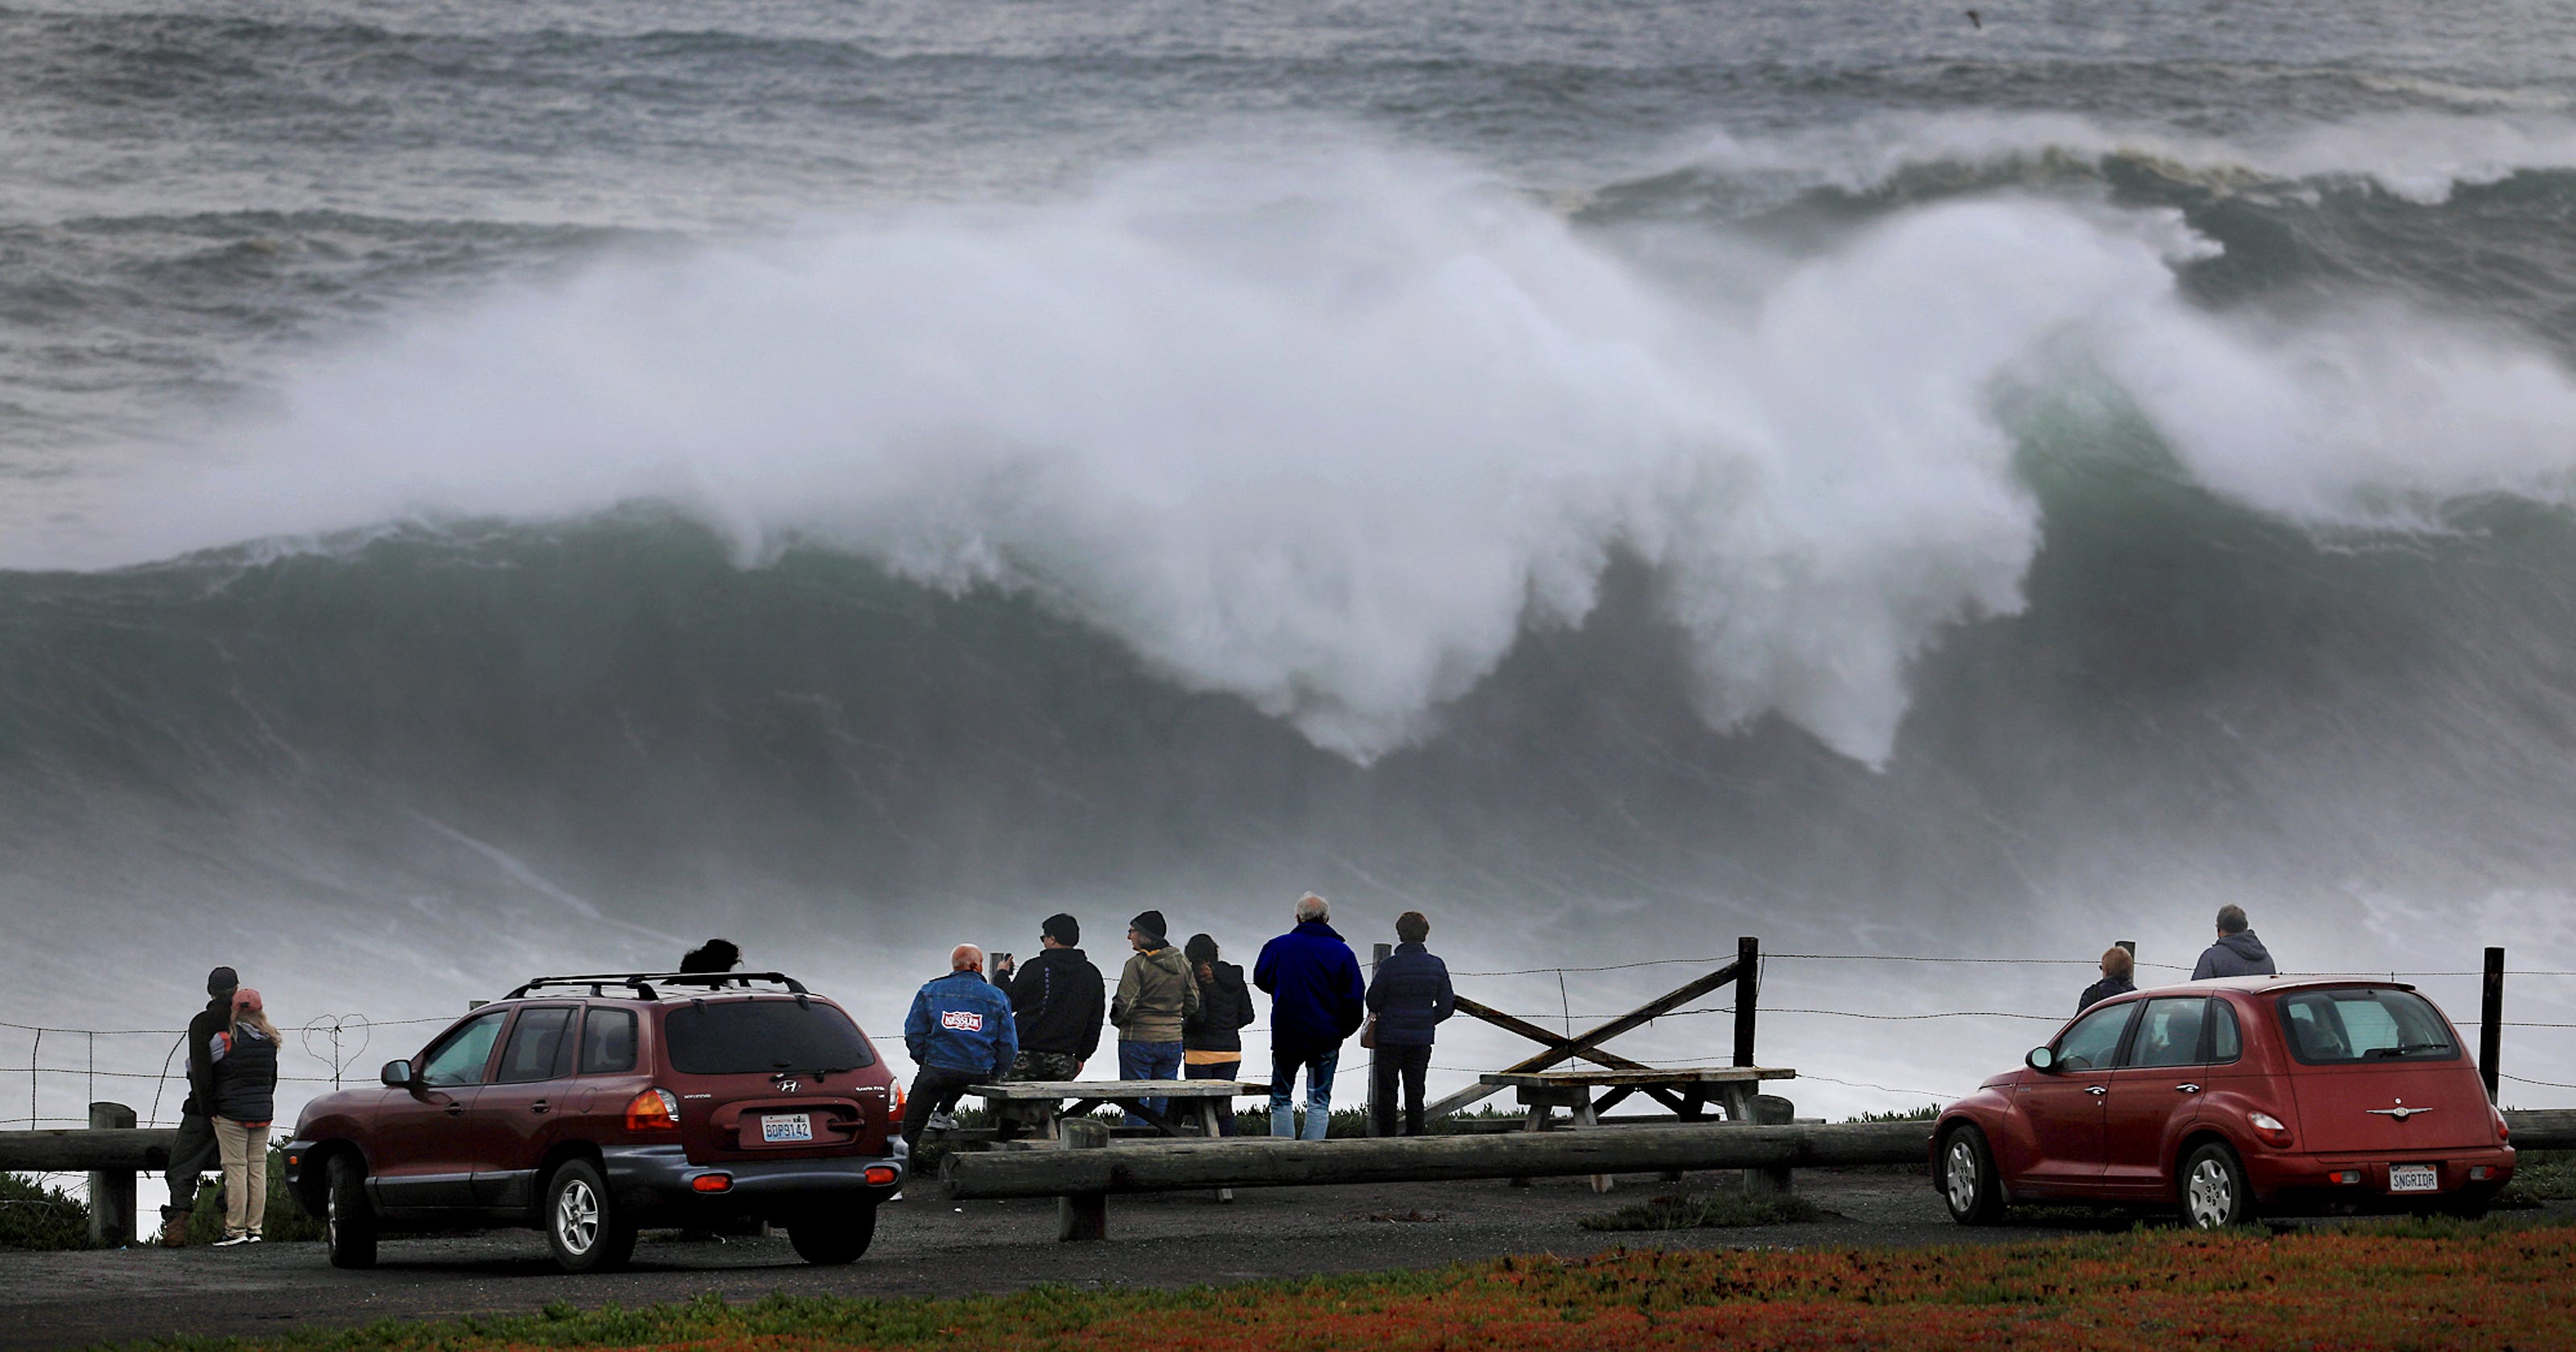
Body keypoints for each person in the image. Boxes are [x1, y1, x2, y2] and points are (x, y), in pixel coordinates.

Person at [1253, 893, 1366, 1140]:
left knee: (1281, 1096)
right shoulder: (1342, 952)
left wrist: (1282, 988)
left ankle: (1283, 1154)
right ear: (1326, 918)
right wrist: (1340, 1032)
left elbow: (1261, 978)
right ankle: (1312, 1157)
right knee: (1318, 1100)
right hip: (1324, 1039)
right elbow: (1355, 999)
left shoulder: (1278, 946)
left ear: (1297, 918)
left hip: (1287, 1035)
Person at [899, 945, 1018, 1157]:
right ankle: (945, 1116)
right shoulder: (997, 997)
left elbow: (914, 1033)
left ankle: (899, 1172)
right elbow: (1008, 1045)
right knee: (961, 1076)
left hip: (936, 1069)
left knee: (910, 1127)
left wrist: (925, 1061)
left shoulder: (930, 991)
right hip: (978, 1071)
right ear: (975, 966)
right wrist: (995, 1072)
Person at [160, 966, 239, 1247]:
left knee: (182, 1167)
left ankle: (177, 1228)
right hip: (240, 1110)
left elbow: (201, 1070)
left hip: (204, 1110)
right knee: (237, 1168)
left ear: (209, 991)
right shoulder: (248, 1022)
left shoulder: (202, 1023)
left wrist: (207, 1108)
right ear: (236, 989)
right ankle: (233, 1224)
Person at [1364, 910, 1455, 1137]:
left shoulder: (1389, 966)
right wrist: (1426, 1019)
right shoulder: (1436, 965)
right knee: (1415, 1091)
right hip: (1420, 1038)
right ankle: (1416, 1140)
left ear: (1399, 934)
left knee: (1388, 1092)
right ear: (1425, 935)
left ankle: (1386, 1142)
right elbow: (1447, 1006)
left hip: (1389, 1037)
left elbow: (1373, 1000)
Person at [991, 913, 1106, 1082]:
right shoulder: (1092, 974)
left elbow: (1009, 1001)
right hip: (1064, 1058)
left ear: (1052, 939)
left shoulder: (1035, 967)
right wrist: (1082, 1056)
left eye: (1043, 937)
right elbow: (1095, 1021)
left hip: (1024, 1053)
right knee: (1050, 1107)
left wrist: (1001, 974)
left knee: (1012, 1106)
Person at [207, 987, 281, 1246]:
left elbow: (197, 1066)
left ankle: (235, 1230)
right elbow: (271, 1078)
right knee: (257, 1169)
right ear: (261, 1011)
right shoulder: (271, 1041)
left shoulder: (225, 1040)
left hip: (231, 1114)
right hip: (262, 1112)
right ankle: (255, 1229)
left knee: (236, 1169)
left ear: (234, 1011)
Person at [1109, 910, 1198, 1123]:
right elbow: (1193, 1001)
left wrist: (1116, 1019)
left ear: (1144, 935)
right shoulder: (1182, 963)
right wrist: (1172, 1015)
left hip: (1137, 1039)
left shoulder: (1136, 964)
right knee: (1163, 1100)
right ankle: (1162, 1142)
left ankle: (1136, 1147)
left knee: (1135, 1101)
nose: (1129, 936)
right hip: (1172, 1040)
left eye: (1132, 931)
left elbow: (1125, 1005)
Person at [1182, 934, 1257, 1135]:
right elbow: (1248, 1015)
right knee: (1224, 1106)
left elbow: (1198, 1018)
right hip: (1230, 1052)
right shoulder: (1235, 977)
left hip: (1199, 1053)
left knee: (1199, 1107)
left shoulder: (1195, 977)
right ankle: (1228, 1147)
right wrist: (1228, 1026)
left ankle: (1203, 1154)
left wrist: (1183, 1027)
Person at [2191, 905, 2278, 979]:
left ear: (2218, 929)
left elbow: (2195, 994)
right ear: (2246, 926)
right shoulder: (2266, 959)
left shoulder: (2211, 958)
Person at [2079, 946, 2136, 1012]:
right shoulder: (2137, 997)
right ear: (2130, 972)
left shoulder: (2093, 995)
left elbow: (2080, 1020)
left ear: (2105, 971)